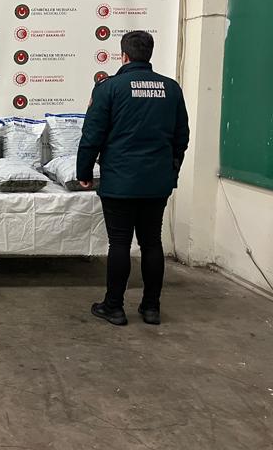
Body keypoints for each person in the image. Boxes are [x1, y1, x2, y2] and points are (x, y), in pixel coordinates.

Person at [77, 31, 189, 326]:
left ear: (123, 55)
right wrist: (171, 171)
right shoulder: (171, 88)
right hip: (157, 183)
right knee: (152, 243)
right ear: (149, 54)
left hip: (120, 181)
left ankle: (114, 307)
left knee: (119, 243)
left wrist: (84, 173)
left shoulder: (109, 88)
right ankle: (151, 308)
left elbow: (91, 135)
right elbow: (182, 137)